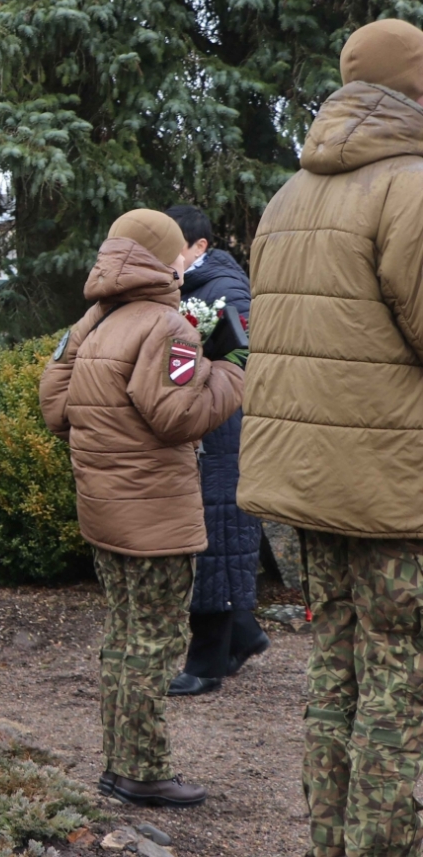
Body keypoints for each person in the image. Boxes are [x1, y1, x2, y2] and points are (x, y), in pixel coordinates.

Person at [239, 18, 423, 856]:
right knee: (397, 677)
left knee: (334, 667)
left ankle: (330, 839)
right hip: (395, 485)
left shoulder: (288, 197)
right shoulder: (411, 187)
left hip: (310, 483)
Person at [39, 208, 245, 808]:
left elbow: (55, 406)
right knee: (153, 644)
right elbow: (179, 415)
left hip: (104, 510)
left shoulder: (92, 321)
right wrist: (230, 367)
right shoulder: (169, 326)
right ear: (161, 257)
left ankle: (118, 763)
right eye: (179, 252)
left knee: (123, 638)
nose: (186, 261)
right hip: (157, 518)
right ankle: (144, 771)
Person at [159, 206, 271, 697]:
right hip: (196, 429)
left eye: (172, 249)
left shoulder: (225, 290)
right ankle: (243, 636)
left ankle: (206, 663)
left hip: (221, 430)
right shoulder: (182, 290)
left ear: (199, 247)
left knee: (216, 540)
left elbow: (246, 358)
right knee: (216, 540)